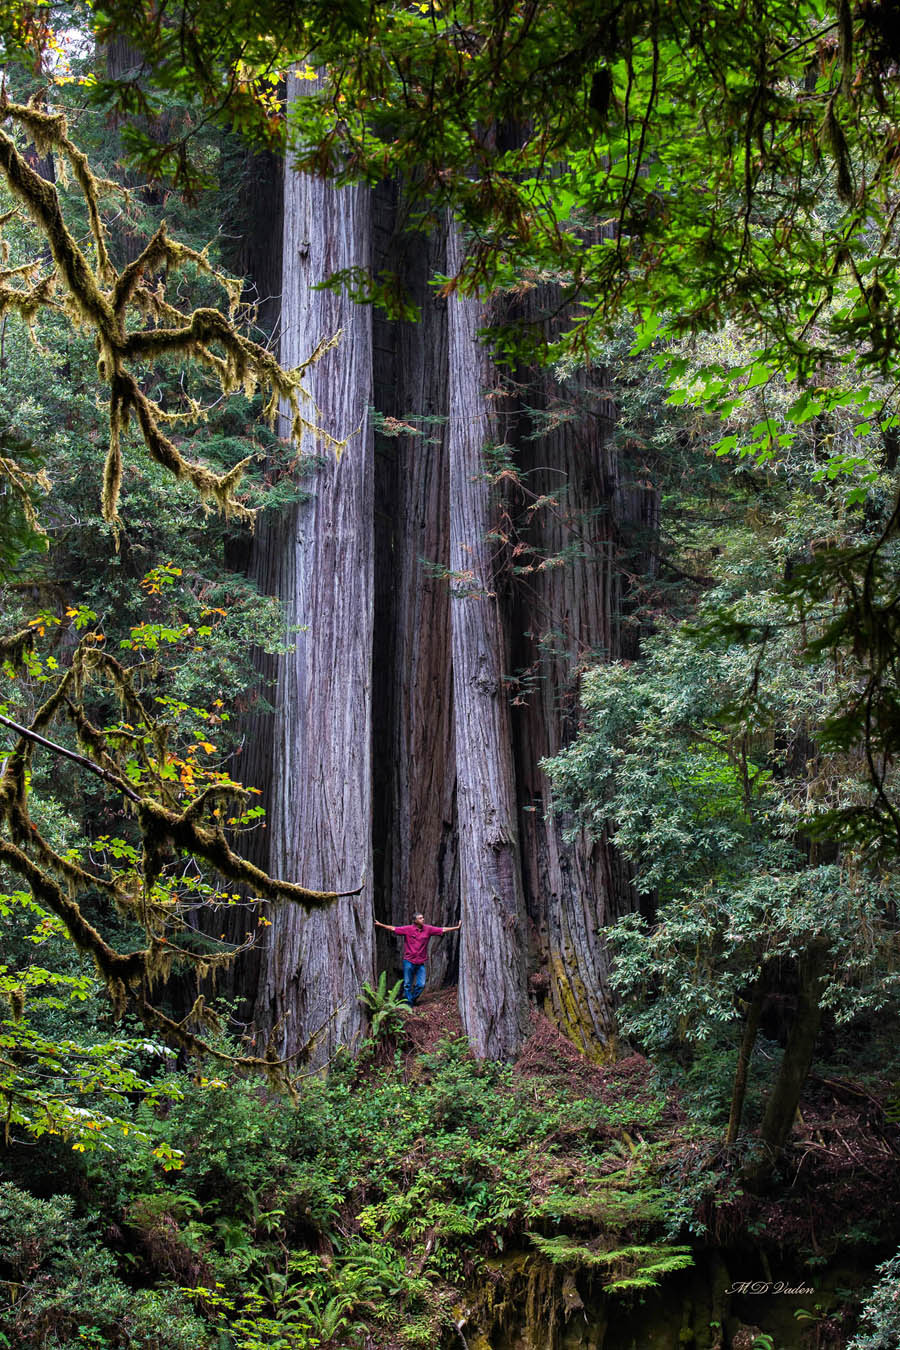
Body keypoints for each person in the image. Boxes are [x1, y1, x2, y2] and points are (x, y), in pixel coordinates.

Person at [374, 912, 461, 1006]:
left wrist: (456, 928)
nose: (423, 919)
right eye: (420, 918)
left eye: (423, 917)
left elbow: (442, 930)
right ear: (415, 921)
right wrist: (380, 924)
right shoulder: (408, 929)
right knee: (407, 984)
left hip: (420, 962)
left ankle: (412, 999)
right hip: (408, 961)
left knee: (421, 984)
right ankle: (409, 1004)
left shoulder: (428, 929)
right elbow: (393, 928)